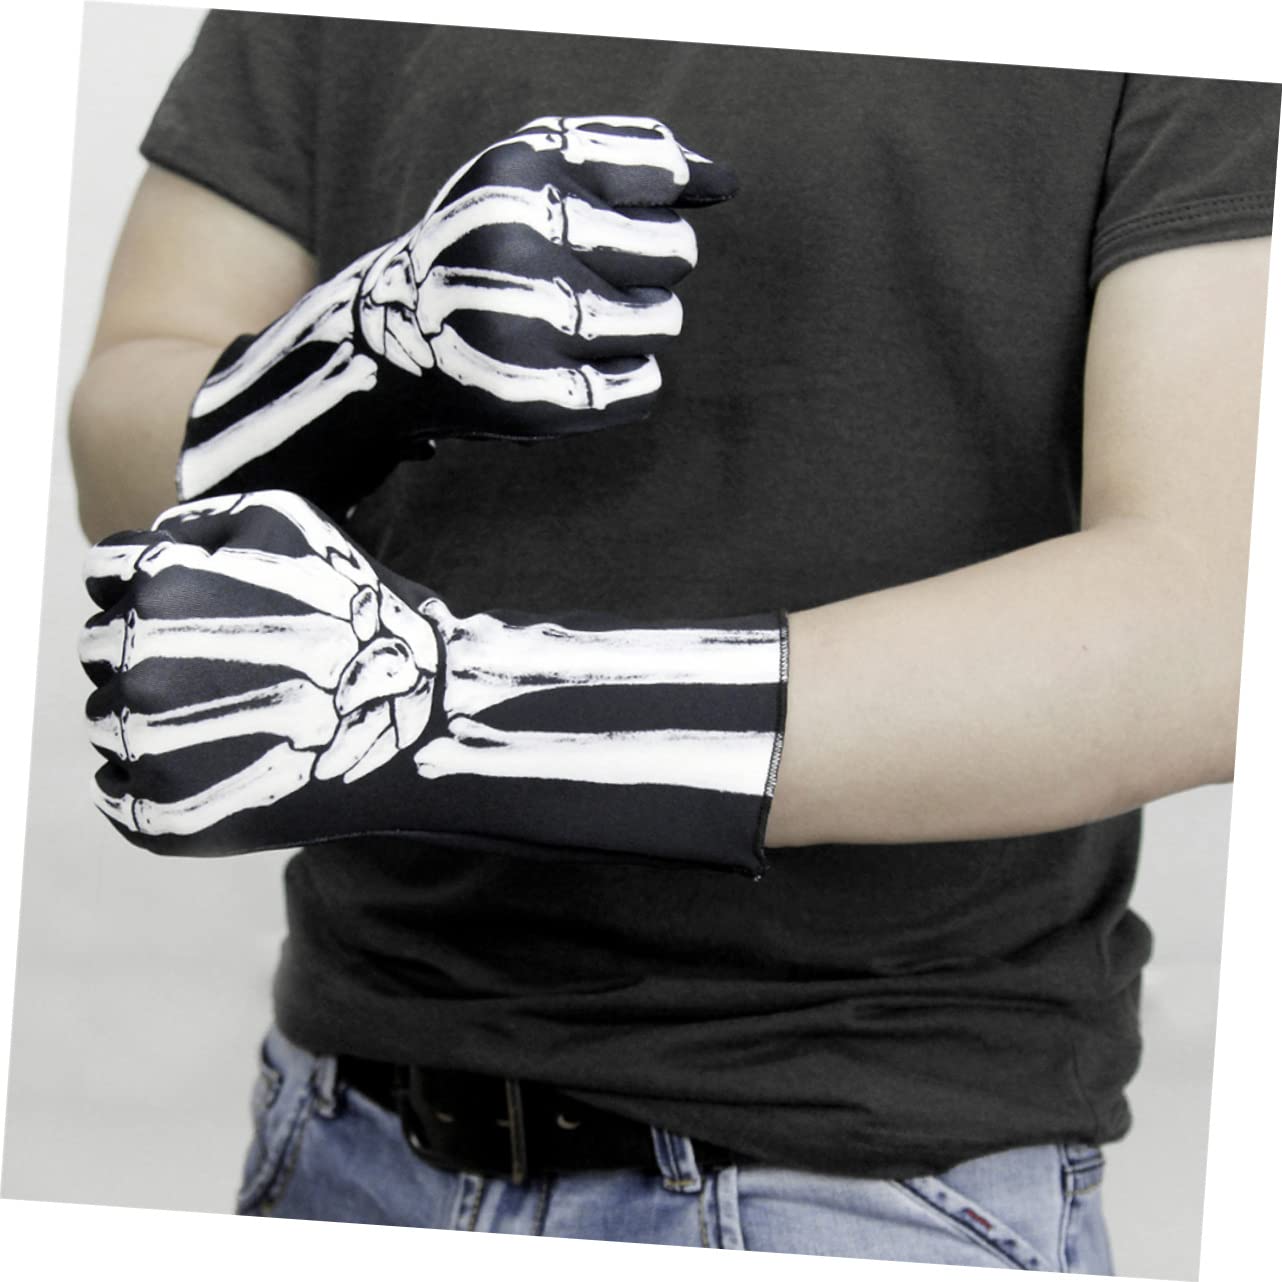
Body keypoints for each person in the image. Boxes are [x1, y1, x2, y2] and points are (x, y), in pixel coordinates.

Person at [70, 10, 1278, 1270]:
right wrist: (358, 352)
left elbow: (1207, 623)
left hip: (868, 1177)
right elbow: (119, 445)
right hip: (347, 1119)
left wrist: (448, 705)